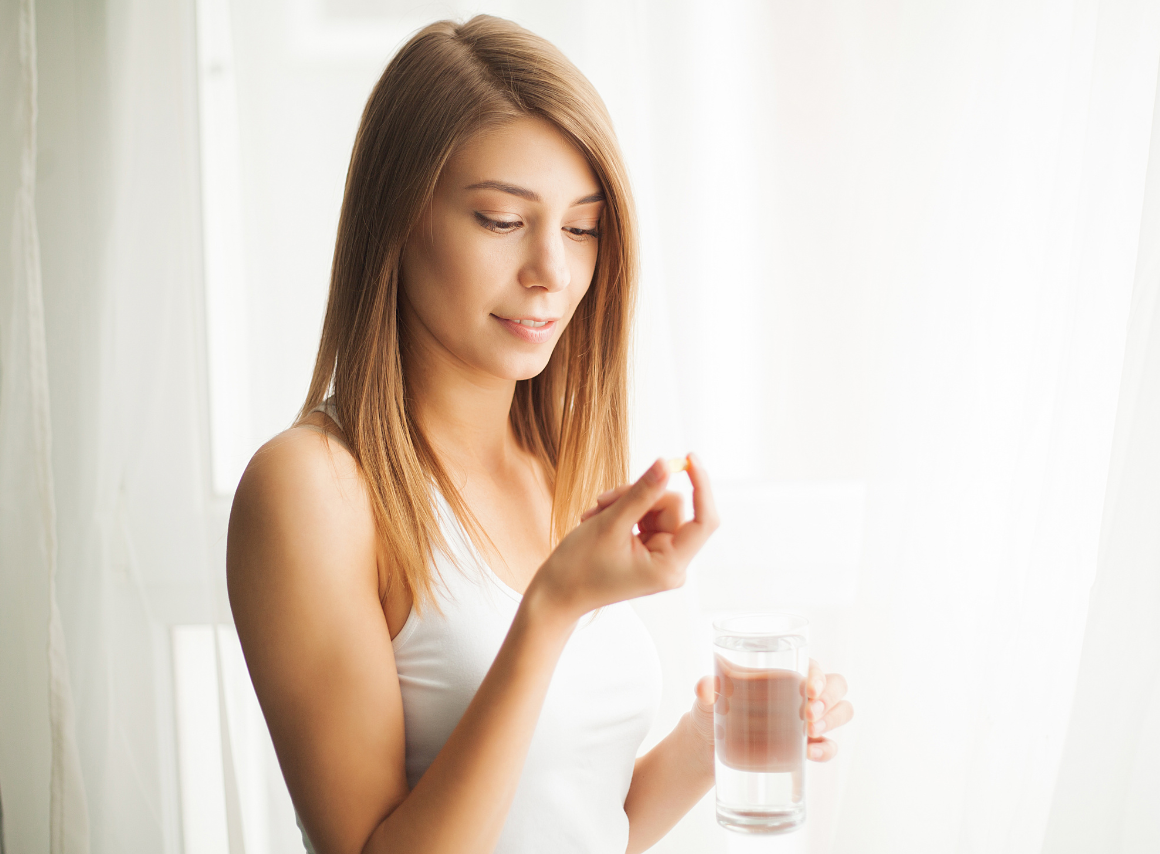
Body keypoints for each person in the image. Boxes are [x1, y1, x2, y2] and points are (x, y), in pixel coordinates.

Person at [226, 15, 853, 854]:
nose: (553, 272)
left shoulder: (552, 462)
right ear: (398, 220)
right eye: (499, 220)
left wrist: (710, 740)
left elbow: (573, 827)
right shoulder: (312, 489)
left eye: (582, 227)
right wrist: (552, 606)